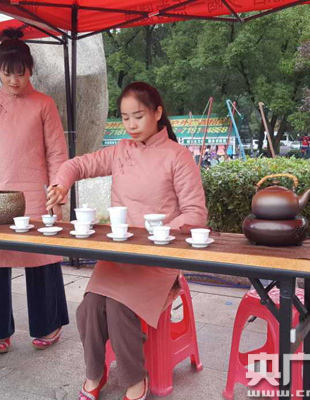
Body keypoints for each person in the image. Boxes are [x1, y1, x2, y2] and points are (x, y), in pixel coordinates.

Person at [46, 82, 208, 400]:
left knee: (119, 308)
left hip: (157, 260)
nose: (131, 125)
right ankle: (95, 373)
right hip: (119, 256)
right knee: (89, 308)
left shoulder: (178, 156)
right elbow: (77, 165)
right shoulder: (120, 151)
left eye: (138, 116)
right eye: (124, 118)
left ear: (157, 113)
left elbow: (195, 214)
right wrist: (61, 184)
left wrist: (157, 234)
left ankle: (135, 379)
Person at [0, 28, 69, 354]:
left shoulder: (44, 104)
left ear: (30, 70)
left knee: (40, 258)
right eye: (7, 73)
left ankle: (48, 324)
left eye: (21, 73)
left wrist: (58, 195)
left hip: (35, 194)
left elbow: (57, 154)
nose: (14, 80)